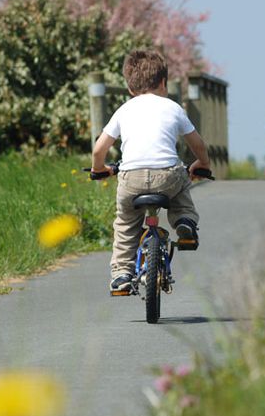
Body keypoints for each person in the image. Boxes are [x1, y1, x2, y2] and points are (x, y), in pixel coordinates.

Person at [89, 49, 212, 295]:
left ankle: (122, 275)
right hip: (167, 175)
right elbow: (197, 143)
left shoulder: (124, 110)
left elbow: (99, 149)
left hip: (131, 178)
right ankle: (185, 222)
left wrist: (98, 169)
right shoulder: (173, 108)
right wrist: (203, 164)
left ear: (130, 87)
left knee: (125, 223)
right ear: (164, 82)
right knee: (181, 187)